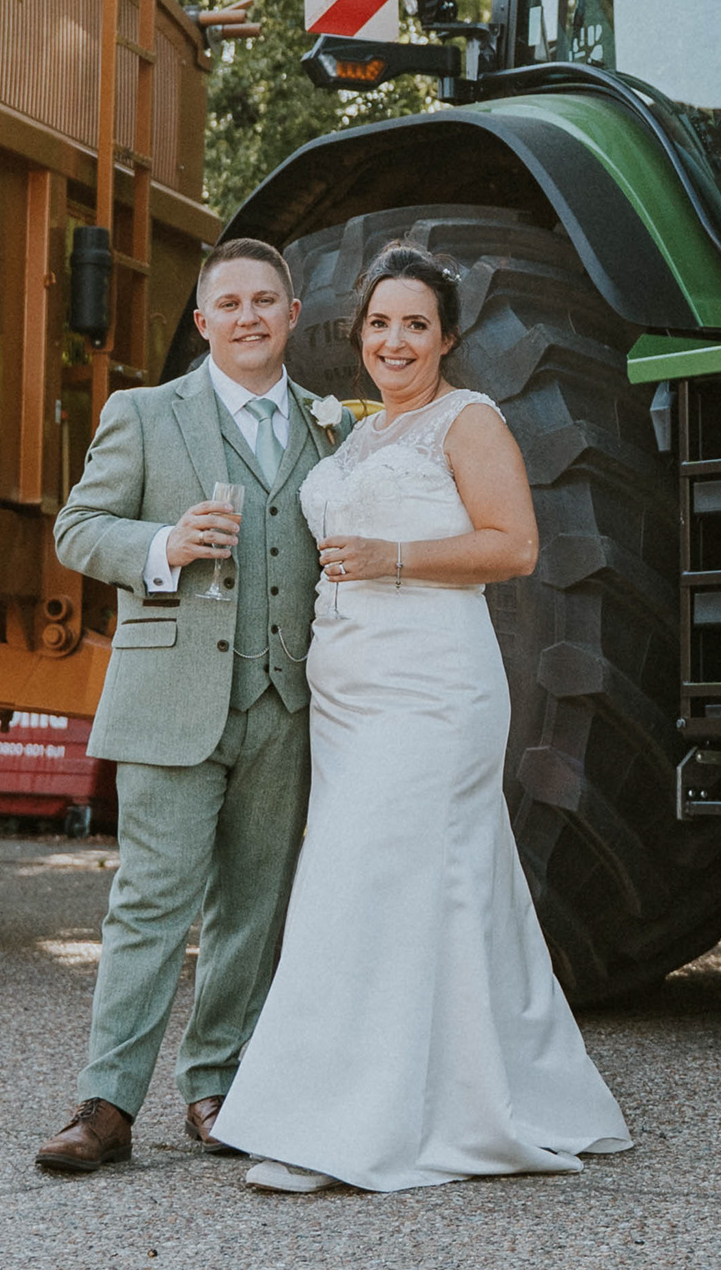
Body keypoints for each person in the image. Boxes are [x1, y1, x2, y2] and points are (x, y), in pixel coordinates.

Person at [211, 247, 631, 1194]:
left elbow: (514, 547)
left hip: (432, 690)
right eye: (377, 324)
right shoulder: (357, 438)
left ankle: (354, 1125)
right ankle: (394, 1096)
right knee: (378, 882)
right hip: (351, 698)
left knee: (381, 878)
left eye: (413, 325)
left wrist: (393, 554)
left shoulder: (467, 420)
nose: (392, 341)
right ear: (358, 337)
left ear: (446, 339)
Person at [33, 238, 340, 1174]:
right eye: (229, 304)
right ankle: (107, 1104)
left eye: (266, 301)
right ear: (203, 322)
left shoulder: (331, 429)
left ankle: (218, 1088)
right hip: (171, 698)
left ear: (292, 315)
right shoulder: (144, 413)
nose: (249, 316)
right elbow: (77, 530)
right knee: (150, 905)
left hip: (286, 701)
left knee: (255, 905)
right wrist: (165, 543)